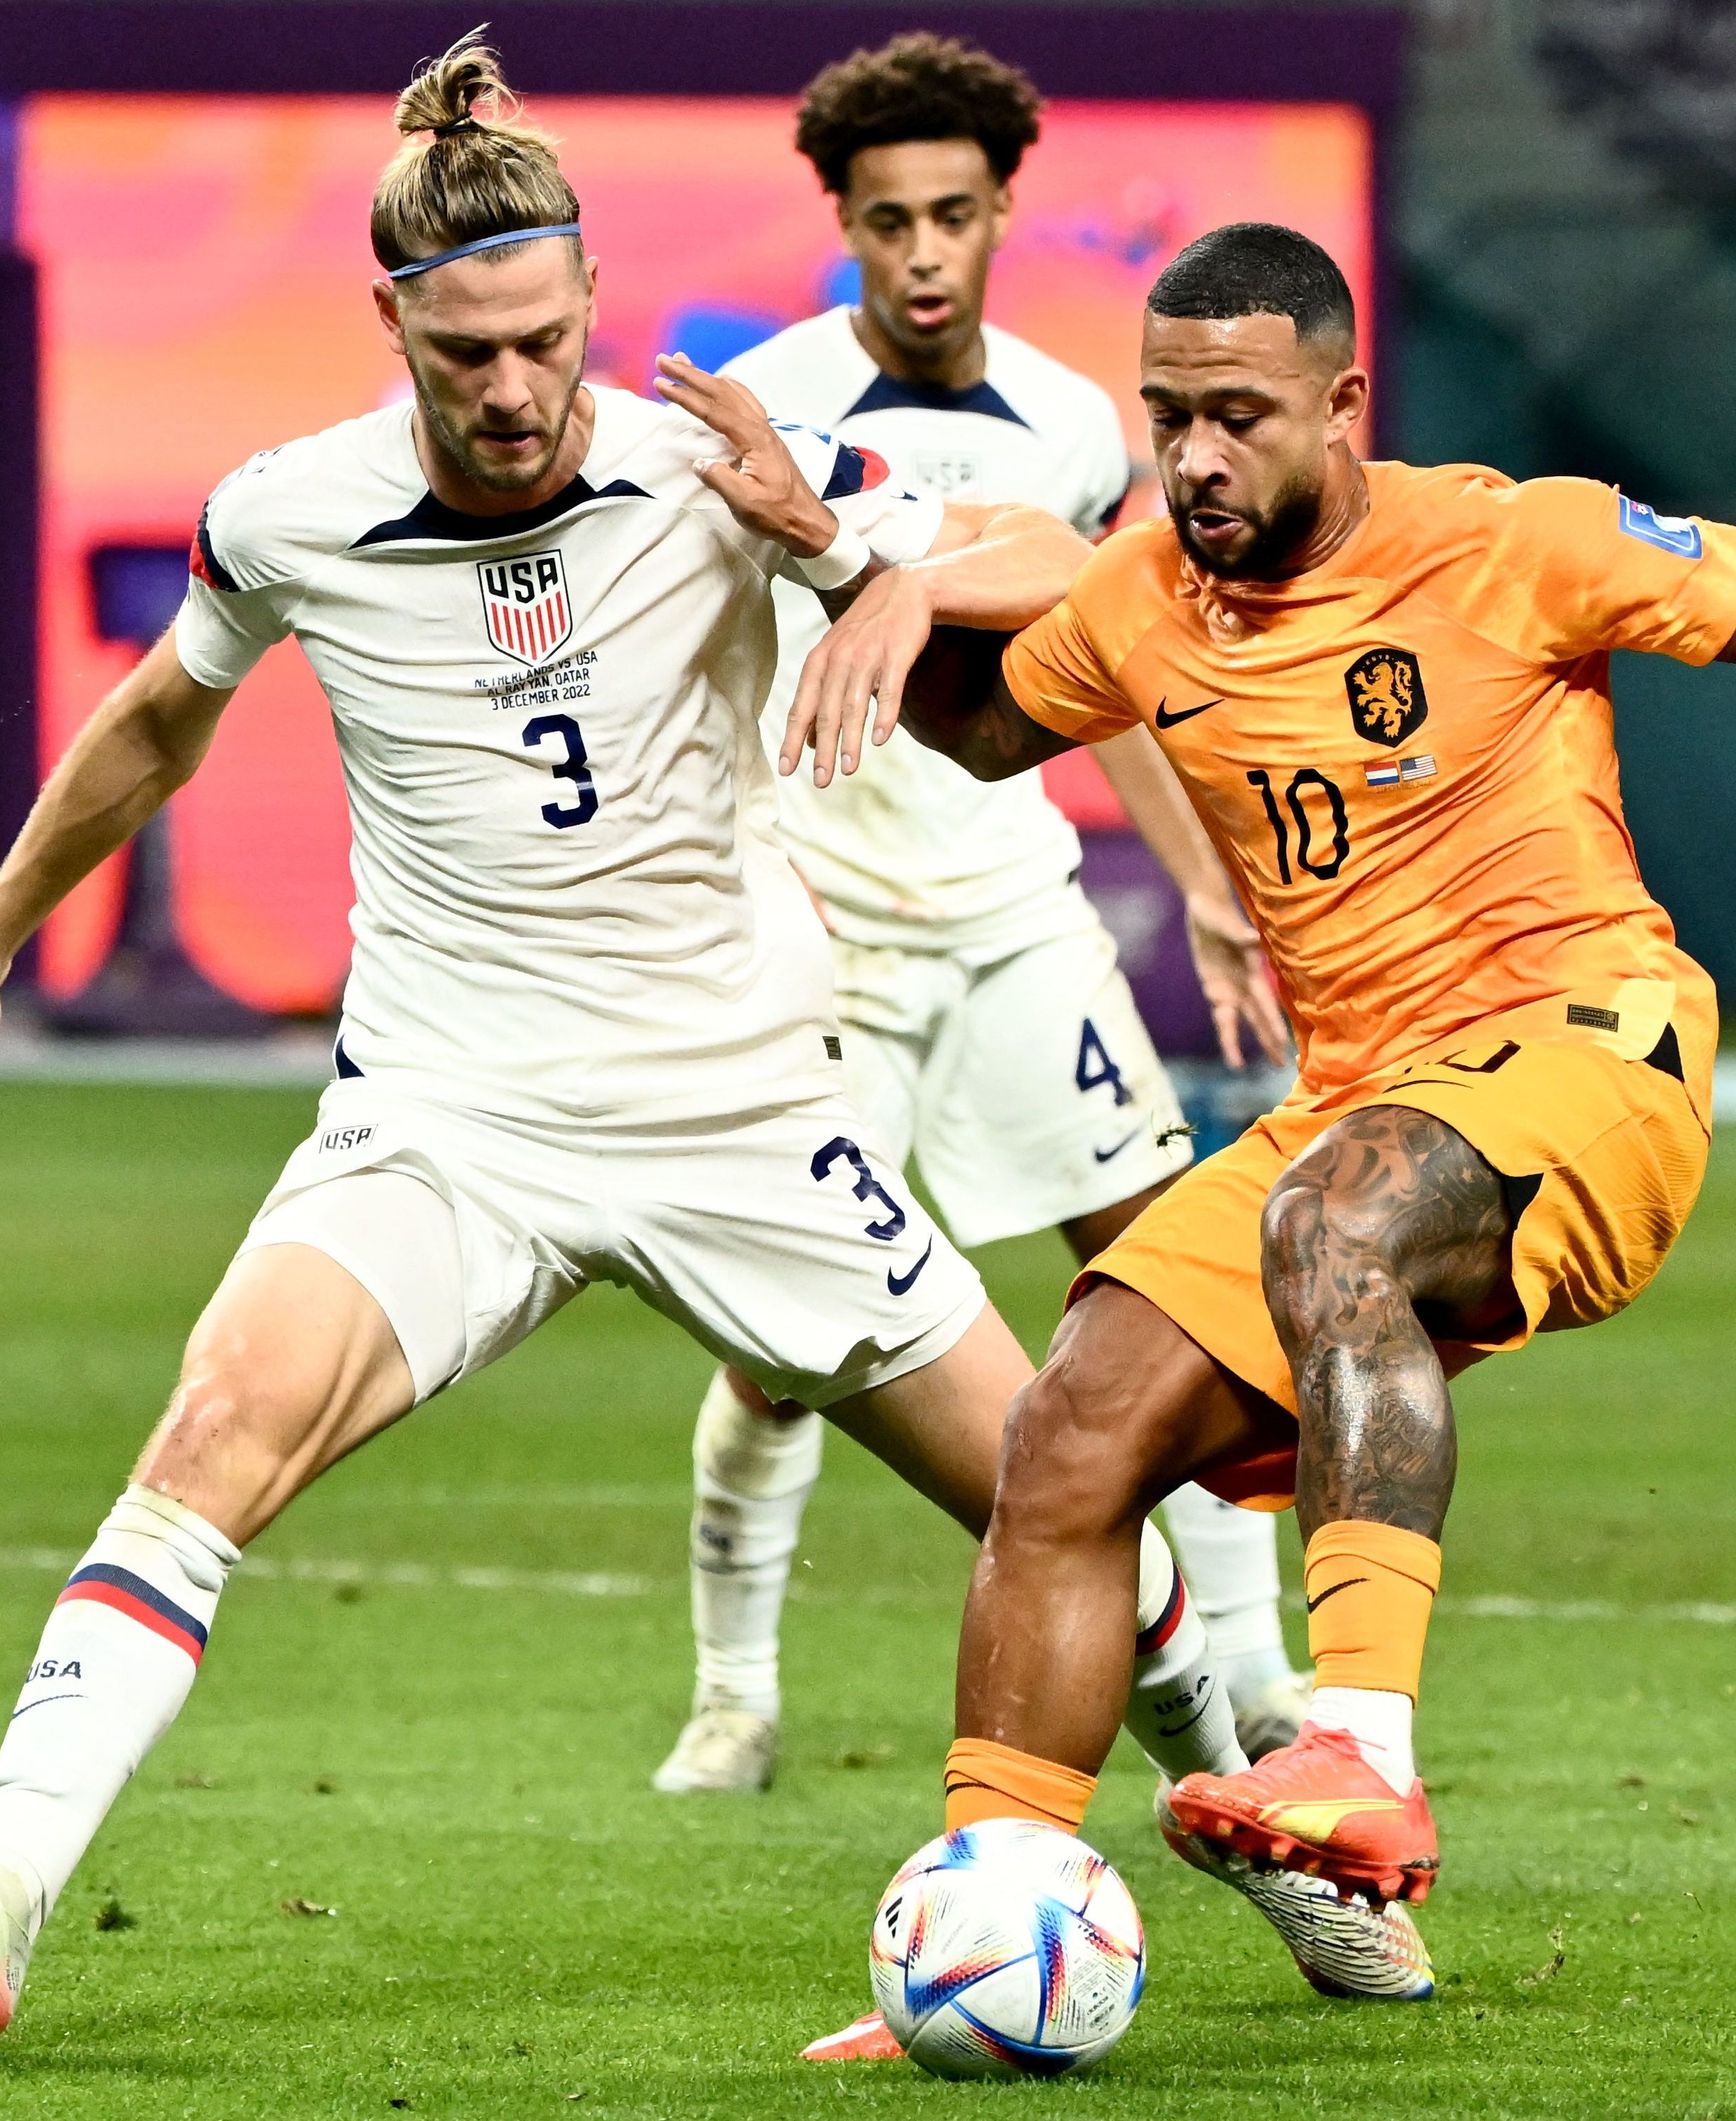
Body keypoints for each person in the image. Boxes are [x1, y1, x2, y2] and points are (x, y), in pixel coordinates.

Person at [0, 45, 1358, 2056]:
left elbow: (1068, 560)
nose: (515, 390)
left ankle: (1257, 1823)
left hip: (736, 1117)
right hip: (448, 1122)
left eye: (545, 341)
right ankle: (1, 1899)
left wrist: (835, 547)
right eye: (467, 356)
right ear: (392, 328)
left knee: (1059, 1500)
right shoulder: (290, 512)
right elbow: (152, 724)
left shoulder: (703, 468)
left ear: (588, 306)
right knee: (205, 1441)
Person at [778, 222, 1736, 1944]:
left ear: (1342, 403)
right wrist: (849, 568)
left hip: (1597, 1048)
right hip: (1359, 1108)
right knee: (1066, 1431)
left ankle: (1357, 1748)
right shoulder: (1148, 595)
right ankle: (997, 1919)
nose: (1197, 456)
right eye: (1168, 416)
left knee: (1332, 1208)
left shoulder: (1517, 537)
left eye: (1238, 413)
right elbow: (985, 728)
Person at [657, 33, 1312, 1819]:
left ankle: (1254, 1668)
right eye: (892, 222)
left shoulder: (1075, 420)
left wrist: (1199, 879)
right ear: (845, 224)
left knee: (1177, 1281)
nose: (926, 252)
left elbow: (1126, 664)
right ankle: (732, 1694)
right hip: (826, 935)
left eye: (955, 215)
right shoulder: (763, 406)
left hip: (1012, 911)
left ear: (1005, 210)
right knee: (783, 1353)